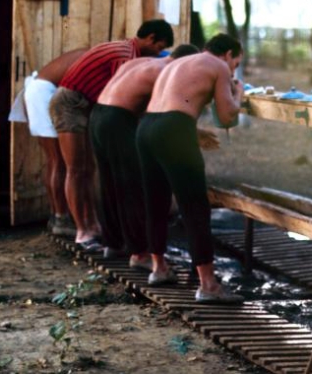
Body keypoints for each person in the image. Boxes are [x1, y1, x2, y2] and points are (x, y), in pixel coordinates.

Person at [90, 43, 214, 284]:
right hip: (118, 119)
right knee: (132, 186)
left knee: (110, 184)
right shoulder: (166, 73)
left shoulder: (143, 62)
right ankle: (140, 253)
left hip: (99, 114)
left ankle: (113, 243)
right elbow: (166, 109)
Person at [136, 33, 244, 303]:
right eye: (236, 64)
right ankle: (208, 285)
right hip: (174, 129)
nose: (233, 70)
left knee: (155, 201)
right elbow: (227, 116)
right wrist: (238, 93)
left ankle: (159, 268)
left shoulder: (177, 63)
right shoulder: (218, 66)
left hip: (146, 127)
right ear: (228, 54)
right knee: (195, 206)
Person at [49, 20, 174, 252]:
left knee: (88, 169)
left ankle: (92, 224)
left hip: (86, 104)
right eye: (159, 47)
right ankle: (82, 231)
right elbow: (121, 98)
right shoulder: (125, 55)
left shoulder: (128, 51)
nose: (158, 54)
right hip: (70, 103)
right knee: (76, 169)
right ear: (150, 38)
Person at [22, 48, 87, 236]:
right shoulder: (99, 57)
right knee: (59, 160)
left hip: (39, 91)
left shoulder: (94, 53)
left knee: (54, 160)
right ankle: (61, 218)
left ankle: (57, 215)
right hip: (43, 94)